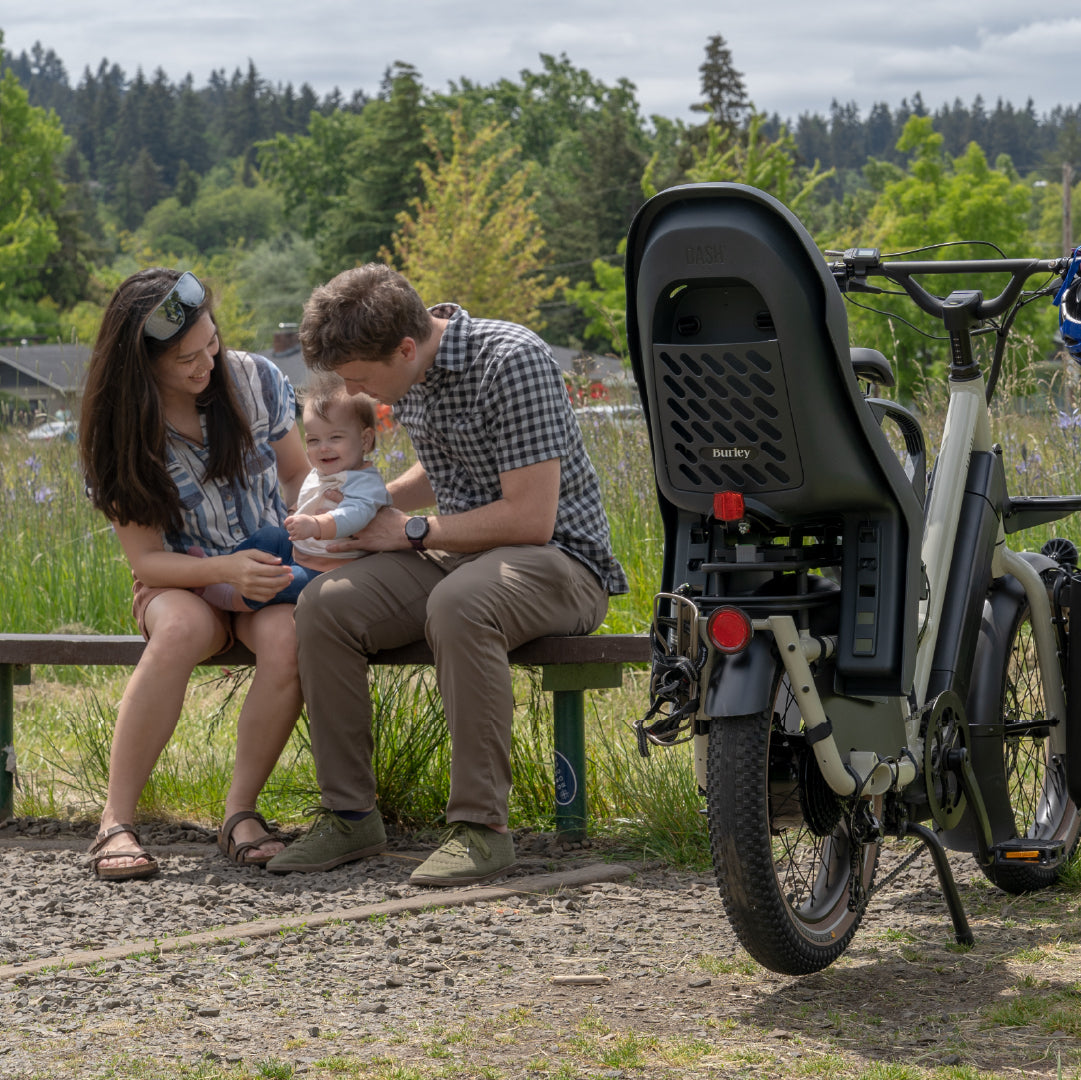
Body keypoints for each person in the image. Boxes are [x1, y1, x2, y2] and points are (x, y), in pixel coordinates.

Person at [267, 264, 628, 886]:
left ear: (406, 348)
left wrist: (409, 531)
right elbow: (448, 471)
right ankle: (350, 815)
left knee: (460, 604)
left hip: (563, 562)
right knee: (326, 605)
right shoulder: (414, 373)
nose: (362, 393)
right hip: (463, 555)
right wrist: (370, 508)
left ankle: (482, 829)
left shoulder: (511, 360)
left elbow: (531, 516)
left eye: (360, 378)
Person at [78, 268, 310, 880]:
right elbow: (146, 560)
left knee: (289, 637)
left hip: (266, 570)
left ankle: (240, 814)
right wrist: (222, 570)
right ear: (141, 365)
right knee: (178, 629)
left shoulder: (257, 379)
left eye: (211, 344)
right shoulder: (120, 429)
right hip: (179, 581)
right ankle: (116, 822)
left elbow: (300, 477)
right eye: (185, 359)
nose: (206, 364)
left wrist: (304, 530)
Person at [194, 371, 391, 611]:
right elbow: (308, 498)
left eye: (335, 437)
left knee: (283, 581)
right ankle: (226, 569)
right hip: (300, 548)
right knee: (269, 536)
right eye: (313, 440)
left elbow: (355, 514)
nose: (323, 448)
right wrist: (296, 511)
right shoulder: (322, 473)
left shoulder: (365, 483)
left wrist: (317, 525)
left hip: (331, 568)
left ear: (365, 440)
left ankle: (230, 601)